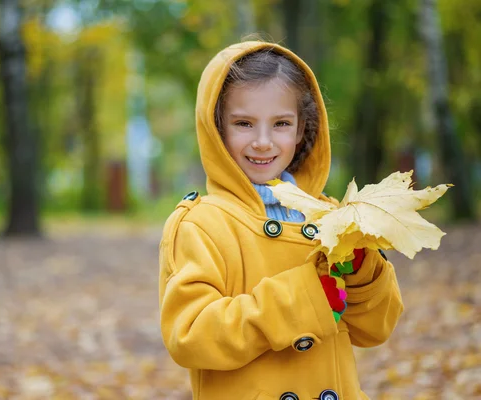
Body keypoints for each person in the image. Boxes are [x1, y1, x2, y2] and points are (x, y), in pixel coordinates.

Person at [158, 40, 404, 400]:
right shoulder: (203, 224)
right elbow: (191, 336)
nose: (262, 142)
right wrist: (299, 299)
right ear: (216, 129)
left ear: (301, 129)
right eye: (243, 123)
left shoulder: (329, 217)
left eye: (280, 124)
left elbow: (376, 329)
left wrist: (362, 270)